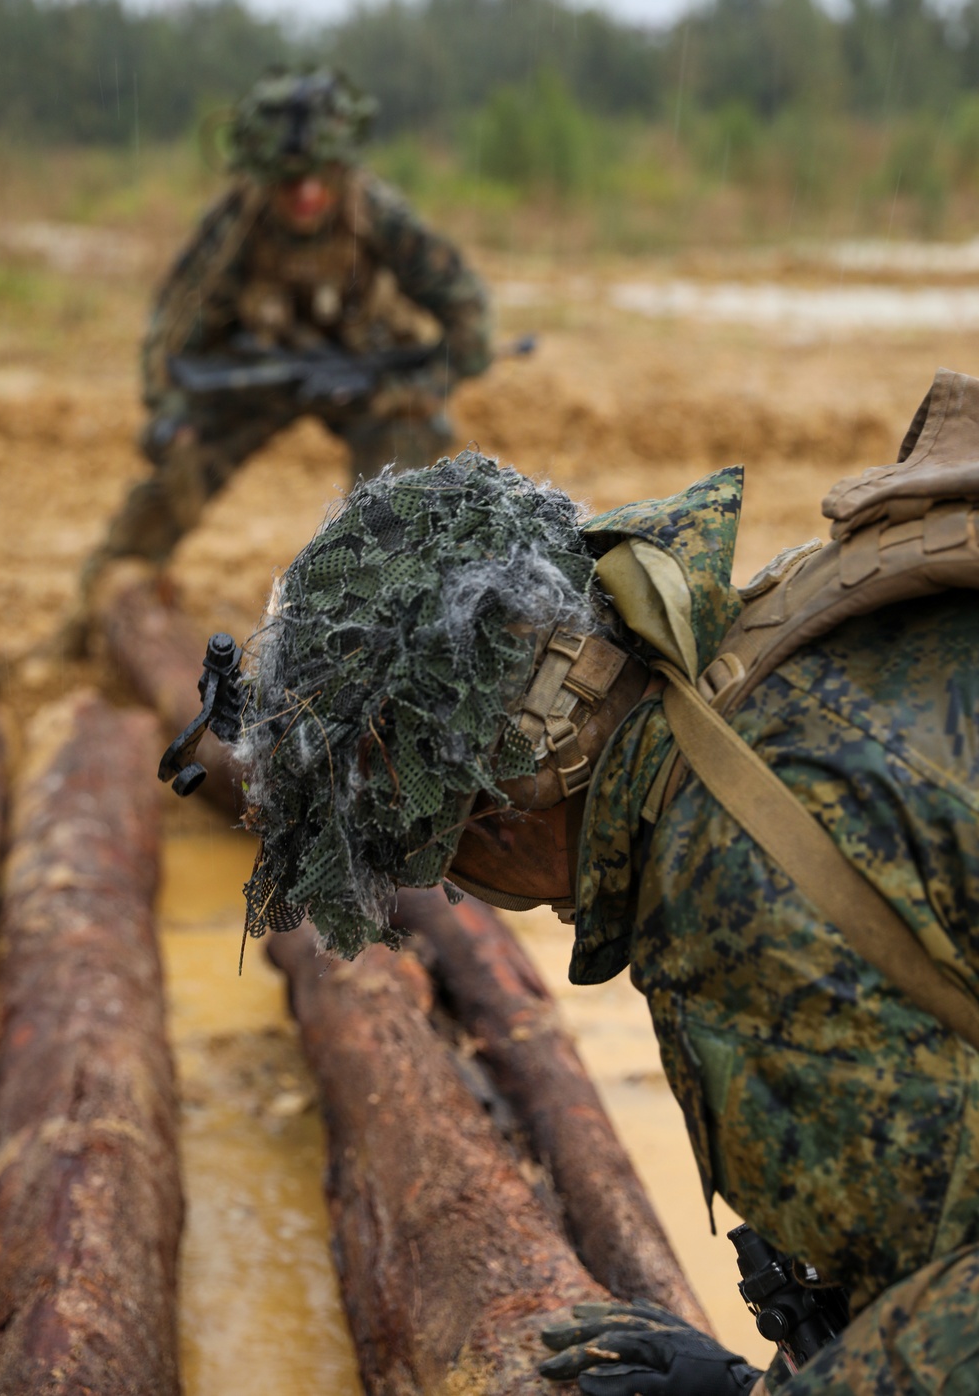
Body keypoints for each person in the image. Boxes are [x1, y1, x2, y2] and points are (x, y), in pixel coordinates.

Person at [184, 368, 979, 1394]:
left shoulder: (733, 886)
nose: (469, 892)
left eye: (443, 854)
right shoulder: (776, 663)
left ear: (502, 804)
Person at [67, 66, 493, 649]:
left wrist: (419, 385)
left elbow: (467, 312)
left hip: (363, 380)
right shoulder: (236, 225)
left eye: (320, 176)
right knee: (180, 465)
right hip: (256, 380)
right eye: (288, 180)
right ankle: (104, 602)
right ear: (264, 175)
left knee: (410, 461)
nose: (306, 194)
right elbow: (169, 335)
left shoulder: (375, 212)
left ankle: (399, 611)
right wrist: (171, 416)